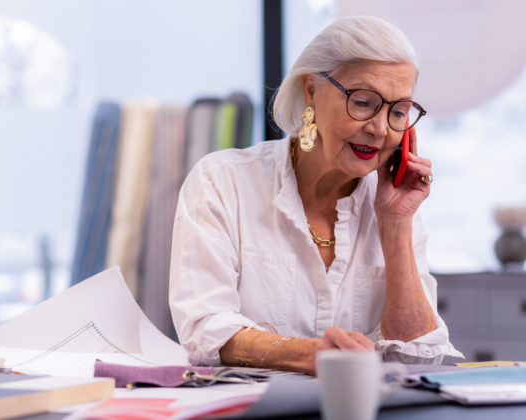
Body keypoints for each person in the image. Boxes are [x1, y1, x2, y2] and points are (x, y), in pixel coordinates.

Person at [169, 15, 463, 375]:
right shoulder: (222, 182)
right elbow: (204, 329)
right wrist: (310, 355)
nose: (379, 128)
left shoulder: (395, 208)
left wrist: (396, 224)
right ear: (311, 89)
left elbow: (418, 359)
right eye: (363, 101)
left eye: (398, 111)